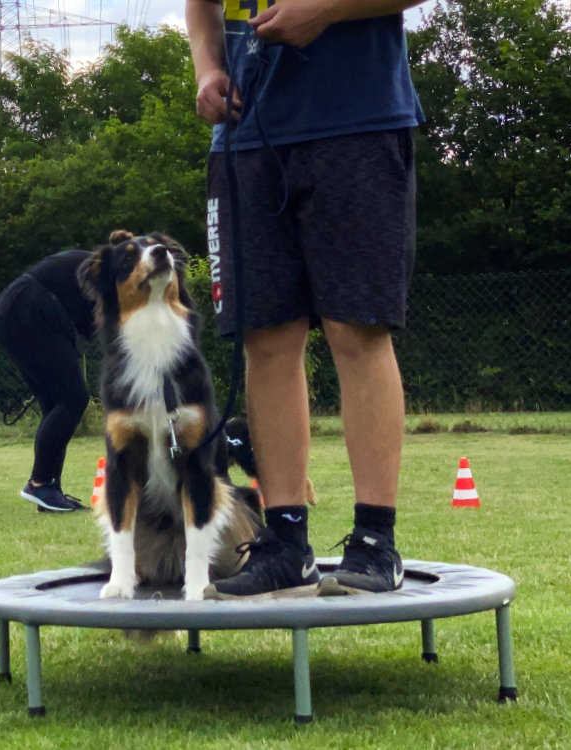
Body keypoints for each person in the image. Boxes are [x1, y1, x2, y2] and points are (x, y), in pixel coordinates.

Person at [185, 0, 426, 597]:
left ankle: (375, 540)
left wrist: (326, 11)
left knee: (357, 329)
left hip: (357, 124)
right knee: (265, 339)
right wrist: (207, 71)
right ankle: (286, 542)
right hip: (244, 141)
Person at [0, 249, 97, 513]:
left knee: (56, 403)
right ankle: (39, 484)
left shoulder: (107, 271)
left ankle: (49, 490)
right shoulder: (112, 273)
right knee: (73, 398)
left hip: (18, 312)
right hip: (27, 312)